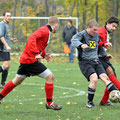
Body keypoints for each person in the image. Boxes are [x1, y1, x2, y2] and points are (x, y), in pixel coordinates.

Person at [0, 16, 62, 110]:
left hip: (26, 60)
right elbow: (32, 38)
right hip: (30, 60)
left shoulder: (47, 32)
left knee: (16, 81)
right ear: (56, 24)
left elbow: (38, 44)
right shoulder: (45, 30)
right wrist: (36, 53)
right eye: (58, 25)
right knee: (50, 76)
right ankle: (49, 103)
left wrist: (44, 54)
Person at [71, 20, 117, 108]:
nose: (96, 32)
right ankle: (89, 102)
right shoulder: (82, 34)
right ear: (88, 28)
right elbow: (74, 40)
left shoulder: (96, 35)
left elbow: (97, 46)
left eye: (97, 30)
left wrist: (105, 55)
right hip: (85, 61)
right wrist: (81, 45)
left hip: (96, 60)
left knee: (105, 78)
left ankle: (117, 94)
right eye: (94, 30)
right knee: (94, 78)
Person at [98, 16, 120, 106]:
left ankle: (103, 101)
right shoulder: (101, 31)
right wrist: (103, 44)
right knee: (111, 76)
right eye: (113, 26)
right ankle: (103, 101)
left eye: (116, 27)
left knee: (112, 77)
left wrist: (105, 54)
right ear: (107, 23)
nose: (114, 28)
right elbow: (93, 43)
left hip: (102, 57)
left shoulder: (106, 32)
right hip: (97, 58)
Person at [0, 11, 18, 88]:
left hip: (5, 48)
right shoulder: (2, 24)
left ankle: (2, 84)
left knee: (8, 66)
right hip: (2, 47)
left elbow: (5, 36)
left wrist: (11, 39)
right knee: (6, 65)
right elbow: (1, 36)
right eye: (7, 16)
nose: (9, 17)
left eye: (10, 16)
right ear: (4, 16)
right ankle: (2, 84)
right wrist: (7, 45)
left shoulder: (7, 25)